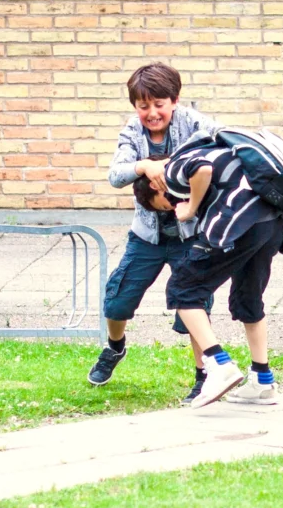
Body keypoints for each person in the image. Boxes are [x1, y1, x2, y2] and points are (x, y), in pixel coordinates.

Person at [161, 132, 283, 408]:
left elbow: (202, 171)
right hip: (274, 225)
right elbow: (280, 186)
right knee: (248, 297)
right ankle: (262, 381)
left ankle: (218, 363)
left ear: (154, 186)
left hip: (241, 223)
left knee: (183, 290)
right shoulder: (235, 151)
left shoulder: (173, 167)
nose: (169, 208)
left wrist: (190, 209)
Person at [89, 62, 210, 387]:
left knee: (193, 304)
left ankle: (204, 375)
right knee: (118, 300)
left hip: (191, 234)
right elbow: (116, 175)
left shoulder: (194, 124)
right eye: (144, 106)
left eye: (159, 104)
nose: (152, 113)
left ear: (174, 99)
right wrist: (143, 165)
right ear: (135, 107)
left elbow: (219, 148)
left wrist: (173, 166)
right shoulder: (132, 132)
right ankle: (115, 348)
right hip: (147, 236)